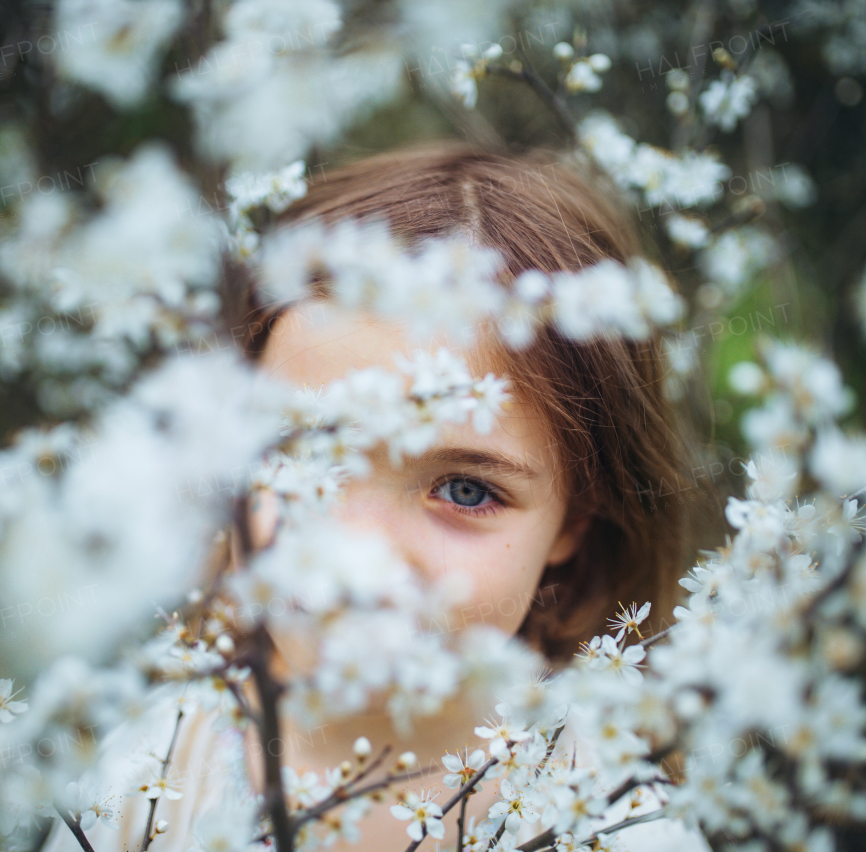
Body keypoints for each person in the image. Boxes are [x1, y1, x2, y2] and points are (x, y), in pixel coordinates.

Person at [42, 142, 714, 851]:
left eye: (465, 489)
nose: (354, 554)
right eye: (302, 455)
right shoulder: (148, 771)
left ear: (570, 527)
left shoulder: (618, 827)